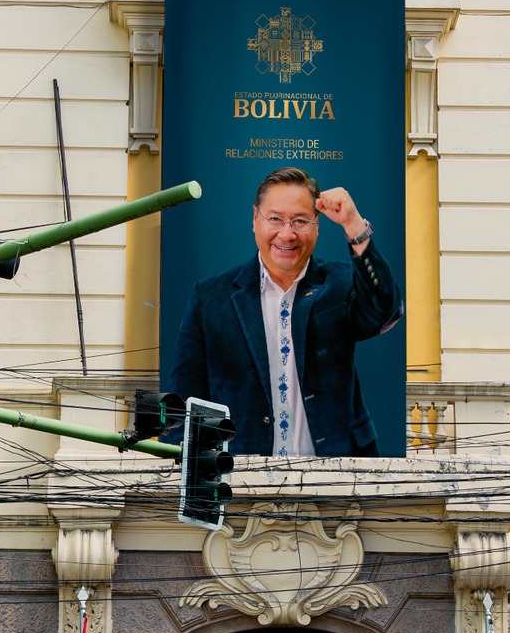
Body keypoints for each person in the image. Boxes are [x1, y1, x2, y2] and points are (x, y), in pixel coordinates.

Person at [168, 167, 403, 458]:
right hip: (241, 487)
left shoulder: (340, 285)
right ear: (255, 219)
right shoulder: (211, 298)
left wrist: (355, 226)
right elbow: (182, 409)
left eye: (300, 221)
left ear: (317, 225)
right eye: (275, 219)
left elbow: (387, 310)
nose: (287, 234)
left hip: (335, 485)